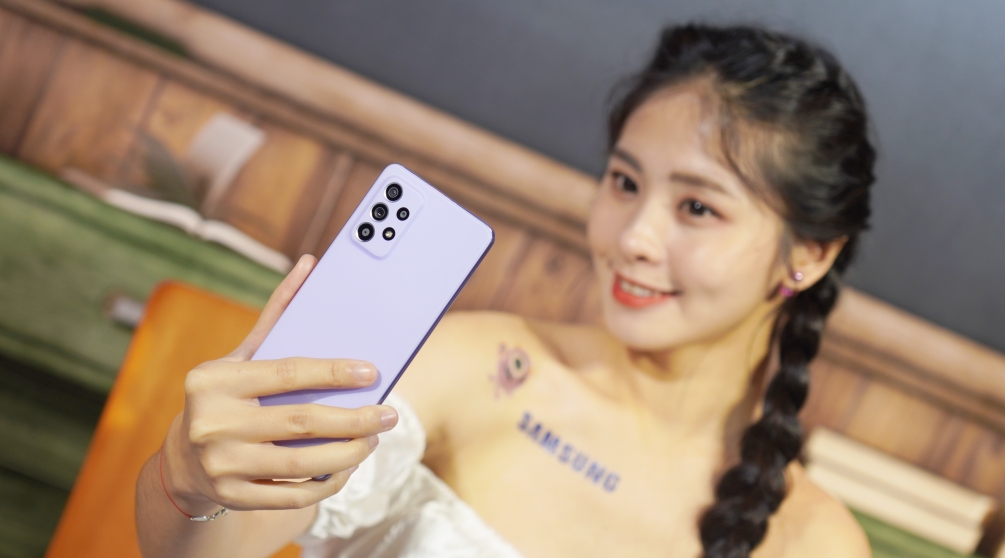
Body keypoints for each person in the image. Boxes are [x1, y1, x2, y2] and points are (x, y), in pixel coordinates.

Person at [135, 23, 875, 558]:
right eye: (624, 182)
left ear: (808, 255)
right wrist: (189, 484)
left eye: (698, 208)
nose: (633, 237)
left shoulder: (816, 540)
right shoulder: (480, 365)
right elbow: (213, 547)